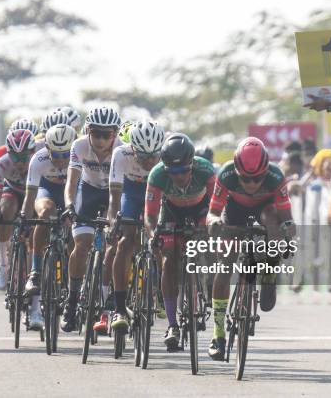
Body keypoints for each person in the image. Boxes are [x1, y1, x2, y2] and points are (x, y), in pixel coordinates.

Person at [206, 137, 295, 360]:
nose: (252, 185)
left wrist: (286, 236)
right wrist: (215, 224)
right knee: (224, 266)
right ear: (237, 171)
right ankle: (218, 334)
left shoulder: (275, 177)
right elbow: (213, 212)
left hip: (266, 211)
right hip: (234, 211)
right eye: (246, 179)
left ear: (266, 171)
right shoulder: (226, 174)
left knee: (273, 223)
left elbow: (288, 219)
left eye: (257, 179)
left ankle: (269, 273)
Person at [144, 133, 216, 350]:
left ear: (191, 164)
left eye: (183, 170)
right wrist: (153, 234)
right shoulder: (157, 175)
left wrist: (209, 228)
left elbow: (218, 207)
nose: (179, 176)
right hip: (171, 213)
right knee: (168, 261)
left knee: (211, 243)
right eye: (172, 172)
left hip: (202, 211)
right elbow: (149, 215)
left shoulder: (205, 170)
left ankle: (210, 284)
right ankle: (173, 325)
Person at [60, 107, 123, 333]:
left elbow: (119, 194)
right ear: (88, 131)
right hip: (87, 192)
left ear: (114, 135)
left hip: (113, 194)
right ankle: (72, 300)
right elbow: (72, 181)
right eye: (96, 133)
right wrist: (69, 205)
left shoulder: (121, 150)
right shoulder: (79, 146)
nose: (100, 139)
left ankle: (108, 300)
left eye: (106, 135)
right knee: (82, 245)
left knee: (113, 247)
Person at [107, 120, 165, 332]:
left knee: (161, 242)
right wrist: (114, 223)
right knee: (124, 242)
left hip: (157, 191)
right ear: (133, 149)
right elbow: (114, 198)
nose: (149, 162)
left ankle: (161, 291)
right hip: (130, 193)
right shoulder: (121, 154)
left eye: (153, 157)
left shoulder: (167, 153)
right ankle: (120, 308)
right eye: (143, 157)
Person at [20, 124, 78, 330]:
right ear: (47, 148)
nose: (61, 160)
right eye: (56, 154)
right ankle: (36, 272)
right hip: (47, 191)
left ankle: (74, 283)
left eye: (65, 155)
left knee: (76, 228)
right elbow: (30, 197)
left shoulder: (79, 157)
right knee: (44, 213)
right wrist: (25, 220)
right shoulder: (39, 159)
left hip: (72, 191)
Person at [0, 129, 37, 289]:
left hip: (35, 191)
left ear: (32, 151)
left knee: (41, 221)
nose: (20, 162)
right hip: (13, 191)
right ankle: (2, 261)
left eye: (23, 157)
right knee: (5, 207)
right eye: (14, 157)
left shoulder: (40, 157)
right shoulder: (1, 163)